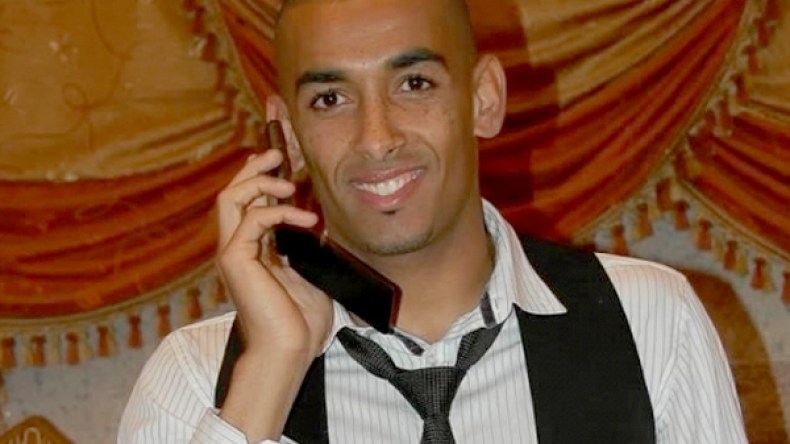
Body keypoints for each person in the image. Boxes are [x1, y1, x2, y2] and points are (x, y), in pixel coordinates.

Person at [118, 0, 748, 443]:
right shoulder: (199, 376)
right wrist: (269, 373)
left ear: (483, 99)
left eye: (414, 83)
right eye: (330, 99)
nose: (376, 138)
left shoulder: (647, 322)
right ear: (288, 134)